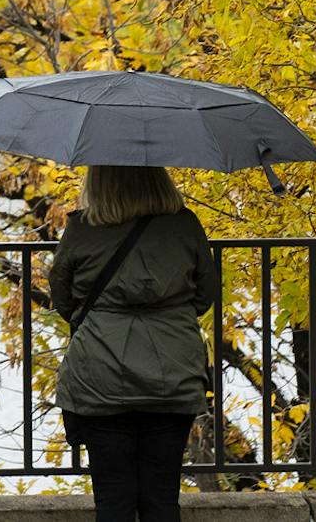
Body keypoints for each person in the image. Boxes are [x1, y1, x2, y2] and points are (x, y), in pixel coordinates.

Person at [48, 165, 218, 522]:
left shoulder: (82, 228)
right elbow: (205, 295)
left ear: (98, 183)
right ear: (159, 179)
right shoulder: (184, 224)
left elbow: (63, 299)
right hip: (172, 372)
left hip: (99, 375)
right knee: (162, 496)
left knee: (112, 499)